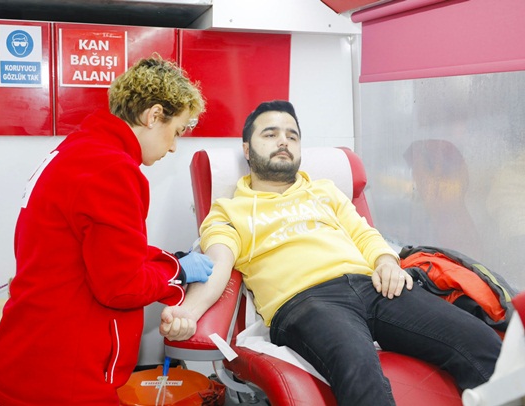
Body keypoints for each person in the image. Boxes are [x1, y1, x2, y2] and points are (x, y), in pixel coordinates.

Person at [160, 100, 502, 406]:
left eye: (292, 136)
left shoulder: (325, 192)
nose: (283, 141)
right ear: (247, 149)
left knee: (481, 342)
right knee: (359, 372)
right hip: (306, 301)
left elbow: (365, 234)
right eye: (271, 134)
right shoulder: (228, 210)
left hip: (373, 286)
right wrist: (187, 313)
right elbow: (217, 265)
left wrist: (386, 262)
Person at [0, 56, 214, 406]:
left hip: (31, 355)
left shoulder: (76, 150)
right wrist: (177, 274)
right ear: (154, 116)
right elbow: (121, 287)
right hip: (65, 377)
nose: (173, 146)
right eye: (178, 131)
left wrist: (170, 261)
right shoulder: (112, 169)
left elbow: (94, 247)